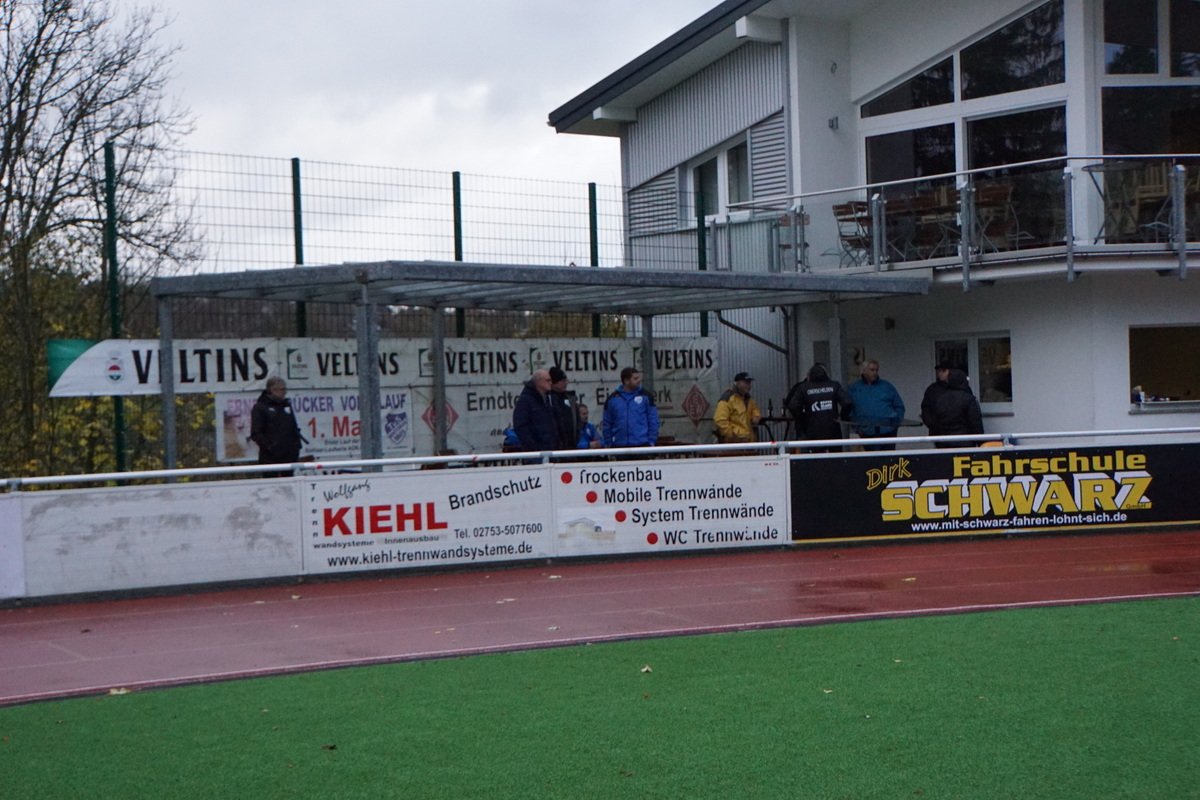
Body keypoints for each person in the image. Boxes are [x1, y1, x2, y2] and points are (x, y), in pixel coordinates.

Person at [784, 363, 853, 452]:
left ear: (810, 375)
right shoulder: (834, 386)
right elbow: (847, 402)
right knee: (836, 457)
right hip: (833, 430)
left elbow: (793, 405)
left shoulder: (803, 388)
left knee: (814, 458)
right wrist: (843, 416)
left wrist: (802, 418)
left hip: (811, 431)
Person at [848, 359, 906, 450]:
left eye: (876, 370)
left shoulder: (887, 386)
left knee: (889, 457)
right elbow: (849, 410)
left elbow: (899, 406)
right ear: (864, 371)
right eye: (872, 370)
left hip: (888, 431)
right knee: (873, 458)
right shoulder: (854, 388)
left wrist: (895, 424)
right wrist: (858, 428)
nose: (875, 373)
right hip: (867, 432)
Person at [250, 376, 304, 466]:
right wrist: (270, 447)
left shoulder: (286, 405)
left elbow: (293, 427)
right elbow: (256, 433)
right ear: (273, 390)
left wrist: (296, 446)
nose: (285, 392)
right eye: (282, 389)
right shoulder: (260, 407)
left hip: (289, 456)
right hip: (270, 458)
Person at [925, 367, 984, 447]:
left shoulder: (940, 399)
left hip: (944, 441)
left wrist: (936, 436)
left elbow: (934, 419)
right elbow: (975, 422)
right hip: (965, 441)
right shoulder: (968, 399)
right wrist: (981, 442)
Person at [602, 367, 659, 447]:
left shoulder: (646, 397)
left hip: (642, 444)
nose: (639, 380)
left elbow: (653, 420)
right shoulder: (612, 399)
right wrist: (609, 443)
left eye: (639, 378)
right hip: (619, 445)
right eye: (635, 379)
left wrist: (651, 441)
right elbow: (607, 423)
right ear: (626, 381)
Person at [511, 369, 558, 451]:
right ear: (538, 382)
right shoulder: (525, 401)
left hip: (550, 450)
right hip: (535, 452)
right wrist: (533, 447)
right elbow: (521, 426)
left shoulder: (548, 399)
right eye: (548, 380)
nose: (551, 383)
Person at [713, 371, 762, 443]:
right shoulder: (727, 398)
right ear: (737, 383)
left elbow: (755, 409)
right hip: (734, 444)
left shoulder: (748, 399)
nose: (749, 385)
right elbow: (720, 421)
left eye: (749, 383)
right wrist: (733, 436)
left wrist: (756, 416)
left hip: (748, 442)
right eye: (746, 382)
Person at [548, 366, 580, 450]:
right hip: (555, 446)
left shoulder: (570, 398)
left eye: (566, 380)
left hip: (571, 445)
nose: (566, 383)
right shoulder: (548, 399)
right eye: (562, 381)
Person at [920, 362, 952, 439]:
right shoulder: (932, 389)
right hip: (937, 431)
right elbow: (925, 408)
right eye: (939, 371)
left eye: (943, 371)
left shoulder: (959, 388)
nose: (940, 373)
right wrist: (932, 425)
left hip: (957, 431)